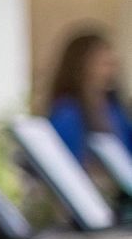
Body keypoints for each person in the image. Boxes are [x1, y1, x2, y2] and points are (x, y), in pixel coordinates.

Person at [45, 29, 132, 164]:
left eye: (112, 63)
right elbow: (62, 161)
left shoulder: (115, 110)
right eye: (103, 63)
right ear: (81, 67)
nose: (111, 70)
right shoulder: (67, 113)